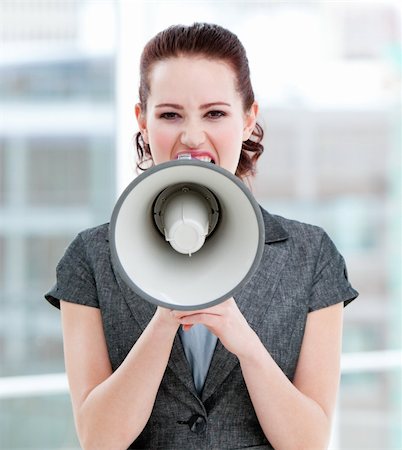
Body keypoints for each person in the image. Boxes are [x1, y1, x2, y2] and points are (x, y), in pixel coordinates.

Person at [45, 23, 358, 450]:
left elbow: (309, 442)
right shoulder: (91, 258)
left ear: (249, 119)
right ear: (142, 119)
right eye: (170, 115)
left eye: (215, 113)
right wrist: (167, 315)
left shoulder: (311, 256)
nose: (192, 137)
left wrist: (241, 338)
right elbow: (99, 439)